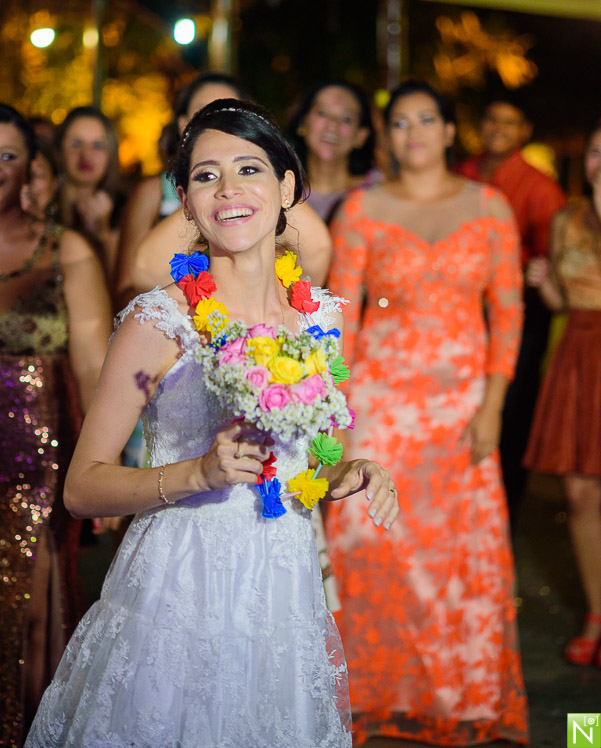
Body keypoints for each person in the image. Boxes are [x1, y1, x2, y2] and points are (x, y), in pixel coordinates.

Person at [26, 98, 398, 748]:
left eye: (249, 169)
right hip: (177, 590)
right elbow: (82, 488)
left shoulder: (318, 317)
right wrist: (197, 471)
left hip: (282, 584)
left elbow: (301, 460)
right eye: (205, 175)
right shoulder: (159, 320)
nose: (227, 189)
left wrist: (343, 471)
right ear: (185, 199)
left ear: (287, 188)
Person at [325, 81, 529, 745]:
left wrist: (494, 405)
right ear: (387, 136)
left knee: (455, 557)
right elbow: (339, 321)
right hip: (379, 410)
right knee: (371, 545)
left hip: (461, 410)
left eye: (426, 120)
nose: (413, 132)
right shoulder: (360, 208)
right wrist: (338, 416)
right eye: (400, 123)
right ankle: (367, 691)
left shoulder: (489, 206)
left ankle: (456, 696)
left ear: (448, 131)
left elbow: (508, 311)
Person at [0, 104, 112, 747]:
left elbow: (97, 374)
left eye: (8, 155)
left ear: (31, 169)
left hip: (36, 464)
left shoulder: (63, 249)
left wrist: (106, 470)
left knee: (32, 620)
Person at [457, 96, 566, 524]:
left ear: (524, 131)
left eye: (509, 122)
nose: (498, 128)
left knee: (512, 408)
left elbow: (553, 259)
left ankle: (506, 510)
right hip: (465, 308)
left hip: (518, 311)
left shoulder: (539, 187)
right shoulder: (462, 172)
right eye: (491, 119)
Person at [524, 125, 601, 666]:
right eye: (597, 151)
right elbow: (559, 299)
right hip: (579, 353)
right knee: (578, 495)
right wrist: (542, 282)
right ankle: (597, 613)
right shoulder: (566, 217)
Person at [114, 73, 244, 308]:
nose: (217, 125)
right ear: (183, 124)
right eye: (204, 113)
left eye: (228, 113)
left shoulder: (258, 193)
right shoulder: (153, 192)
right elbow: (125, 290)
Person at [290, 80, 378, 223]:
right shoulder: (281, 196)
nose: (332, 125)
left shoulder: (377, 190)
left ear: (361, 136)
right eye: (322, 113)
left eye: (346, 119)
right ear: (302, 123)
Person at [55, 106, 123, 279]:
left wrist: (103, 234)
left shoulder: (126, 208)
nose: (86, 153)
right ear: (60, 149)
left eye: (98, 145)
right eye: (76, 143)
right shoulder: (43, 203)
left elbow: (122, 286)